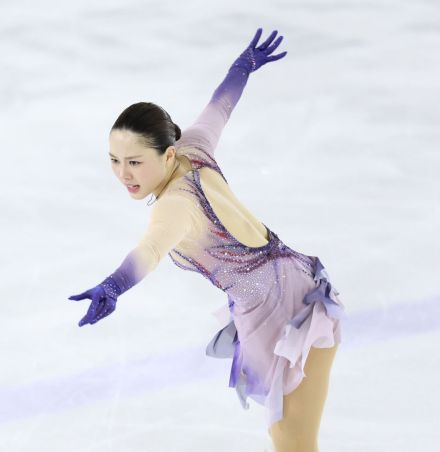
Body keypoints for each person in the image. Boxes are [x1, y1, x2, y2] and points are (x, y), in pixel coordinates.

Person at [68, 27, 346, 452]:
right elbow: (221, 106)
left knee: (294, 443)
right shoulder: (195, 147)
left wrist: (114, 285)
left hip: (286, 307)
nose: (124, 175)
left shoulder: (175, 205)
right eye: (115, 161)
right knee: (286, 436)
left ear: (168, 154)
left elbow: (150, 249)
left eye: (135, 162)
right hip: (281, 288)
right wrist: (241, 69)